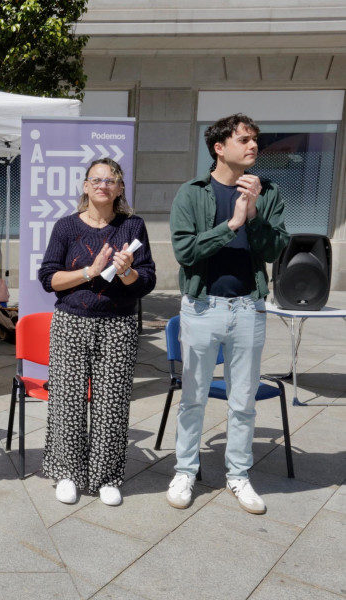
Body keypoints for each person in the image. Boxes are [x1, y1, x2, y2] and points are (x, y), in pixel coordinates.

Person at [167, 114, 289, 515]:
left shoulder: (267, 191)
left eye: (255, 140)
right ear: (219, 147)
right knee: (193, 399)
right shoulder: (192, 192)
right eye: (243, 139)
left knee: (243, 402)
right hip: (202, 307)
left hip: (249, 308)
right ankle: (186, 469)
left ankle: (238, 474)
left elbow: (275, 251)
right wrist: (231, 224)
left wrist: (252, 217)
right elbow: (185, 253)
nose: (253, 146)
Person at [38, 158, 156, 506]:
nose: (104, 185)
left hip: (119, 324)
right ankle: (67, 473)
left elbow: (146, 280)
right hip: (72, 322)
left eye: (112, 179)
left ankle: (106, 476)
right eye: (97, 179)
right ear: (86, 186)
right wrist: (91, 271)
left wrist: (126, 273)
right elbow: (49, 279)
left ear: (120, 188)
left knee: (113, 401)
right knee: (67, 400)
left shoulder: (133, 226)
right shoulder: (66, 227)